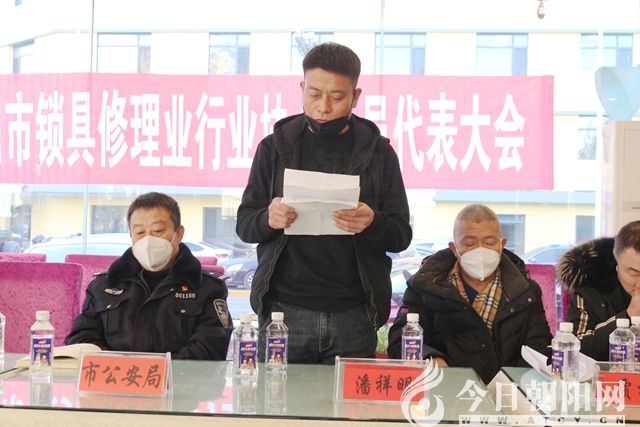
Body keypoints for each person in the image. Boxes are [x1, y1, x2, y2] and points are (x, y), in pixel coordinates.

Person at [236, 42, 412, 363]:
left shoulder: (379, 153)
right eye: (314, 94)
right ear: (301, 88)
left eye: (336, 96)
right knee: (275, 395)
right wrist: (268, 218)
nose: (323, 107)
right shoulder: (273, 148)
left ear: (355, 96)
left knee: (349, 398)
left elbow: (401, 235)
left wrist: (373, 222)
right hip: (284, 312)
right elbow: (245, 225)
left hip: (354, 313)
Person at [387, 204, 552, 383]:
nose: (480, 250)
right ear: (454, 248)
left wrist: (511, 383)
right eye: (469, 244)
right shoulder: (425, 287)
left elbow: (539, 346)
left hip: (508, 393)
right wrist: (431, 359)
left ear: (501, 245)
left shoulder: (525, 292)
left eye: (489, 243)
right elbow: (399, 339)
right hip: (445, 390)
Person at [65, 192, 233, 360]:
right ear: (131, 235)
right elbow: (82, 340)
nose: (148, 240)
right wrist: (120, 367)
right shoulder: (104, 286)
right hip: (114, 375)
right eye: (139, 232)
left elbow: (210, 349)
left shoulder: (208, 288)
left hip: (181, 377)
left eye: (158, 231)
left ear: (179, 233)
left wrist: (157, 370)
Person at [556, 220, 640, 361]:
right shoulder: (591, 289)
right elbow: (575, 351)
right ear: (617, 266)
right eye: (634, 273)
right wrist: (629, 315)